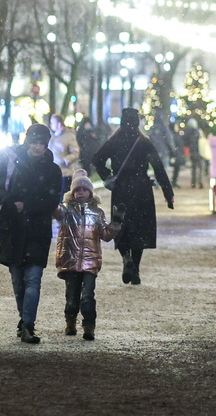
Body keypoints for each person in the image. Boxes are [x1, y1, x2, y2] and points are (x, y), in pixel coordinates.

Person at [0, 123, 62, 344]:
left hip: (38, 229)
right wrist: (9, 202)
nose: (38, 146)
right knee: (17, 280)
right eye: (34, 142)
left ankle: (28, 324)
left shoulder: (52, 169)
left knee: (33, 279)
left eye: (42, 143)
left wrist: (27, 206)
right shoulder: (11, 161)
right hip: (13, 227)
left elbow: (52, 200)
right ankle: (24, 320)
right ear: (27, 141)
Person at [92, 108, 175, 285]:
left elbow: (97, 159)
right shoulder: (144, 142)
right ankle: (135, 269)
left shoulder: (114, 141)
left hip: (121, 189)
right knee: (140, 229)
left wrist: (108, 176)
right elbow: (158, 167)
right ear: (137, 122)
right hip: (141, 189)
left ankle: (126, 258)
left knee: (120, 225)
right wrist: (168, 193)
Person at [54, 169, 122, 340]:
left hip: (90, 262)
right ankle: (70, 321)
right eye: (77, 190)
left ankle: (89, 326)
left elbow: (105, 235)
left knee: (88, 297)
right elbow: (55, 211)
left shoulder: (97, 213)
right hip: (70, 261)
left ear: (91, 192)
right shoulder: (66, 211)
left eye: (84, 189)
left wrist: (116, 224)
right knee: (72, 297)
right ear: (72, 193)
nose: (81, 192)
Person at [48, 114, 81, 192]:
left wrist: (66, 160)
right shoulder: (52, 137)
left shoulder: (69, 136)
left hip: (65, 173)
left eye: (52, 123)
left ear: (59, 124)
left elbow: (75, 152)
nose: (51, 125)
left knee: (63, 195)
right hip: (53, 173)